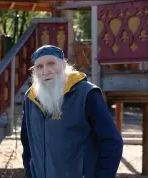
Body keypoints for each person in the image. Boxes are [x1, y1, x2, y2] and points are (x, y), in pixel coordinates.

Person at [20, 45, 123, 178]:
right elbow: (27, 146)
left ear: (63, 64)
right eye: (39, 66)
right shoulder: (30, 99)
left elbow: (112, 142)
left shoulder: (87, 94)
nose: (46, 71)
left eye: (51, 63)